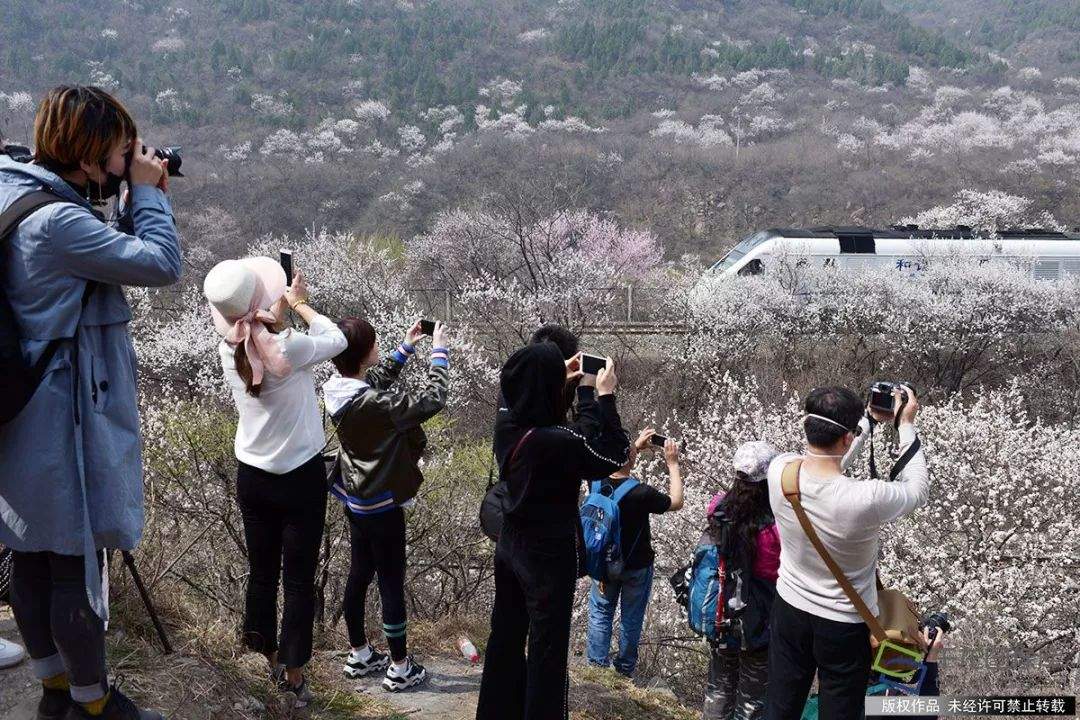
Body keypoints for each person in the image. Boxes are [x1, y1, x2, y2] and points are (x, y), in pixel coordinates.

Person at [0, 85, 179, 720]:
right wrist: (150, 193)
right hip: (62, 415)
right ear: (92, 151)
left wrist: (127, 190)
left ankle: (55, 691)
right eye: (119, 148)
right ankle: (94, 705)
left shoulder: (13, 187)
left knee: (32, 553)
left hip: (17, 408)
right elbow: (160, 263)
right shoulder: (61, 221)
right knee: (74, 562)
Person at [204, 258, 347, 707]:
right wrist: (301, 305)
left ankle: (262, 658)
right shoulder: (291, 347)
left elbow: (255, 337)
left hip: (253, 476)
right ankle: (296, 675)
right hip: (301, 477)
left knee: (262, 573)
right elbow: (338, 339)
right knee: (299, 580)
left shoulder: (228, 350)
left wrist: (277, 309)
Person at [476, 343, 630, 720]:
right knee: (547, 650)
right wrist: (599, 395)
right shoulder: (557, 441)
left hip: (511, 544)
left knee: (506, 636)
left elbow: (515, 386)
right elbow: (612, 456)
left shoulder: (508, 423)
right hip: (547, 555)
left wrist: (553, 373)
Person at [765, 385, 929, 720]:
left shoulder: (780, 471)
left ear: (808, 426)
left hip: (789, 608)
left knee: (780, 704)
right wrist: (905, 424)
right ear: (846, 439)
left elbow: (824, 463)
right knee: (839, 711)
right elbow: (917, 490)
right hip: (843, 624)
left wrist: (864, 423)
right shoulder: (866, 499)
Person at [322, 317, 451, 691]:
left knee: (359, 573)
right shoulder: (374, 403)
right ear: (363, 356)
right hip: (382, 505)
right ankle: (399, 666)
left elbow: (371, 387)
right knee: (391, 581)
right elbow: (432, 399)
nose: (379, 348)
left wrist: (406, 347)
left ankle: (359, 653)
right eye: (375, 344)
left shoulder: (339, 392)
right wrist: (438, 351)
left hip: (356, 500)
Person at [586, 428, 683, 678]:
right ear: (630, 457)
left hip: (602, 562)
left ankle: (596, 666)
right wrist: (672, 464)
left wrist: (634, 448)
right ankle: (624, 669)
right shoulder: (641, 493)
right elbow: (676, 501)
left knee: (600, 613)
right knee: (631, 618)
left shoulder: (595, 482)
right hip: (635, 566)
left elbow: (615, 464)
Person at [702, 441, 782, 720]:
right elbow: (776, 572)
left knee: (718, 687)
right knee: (752, 699)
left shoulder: (717, 508)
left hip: (720, 612)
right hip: (757, 621)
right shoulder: (774, 527)